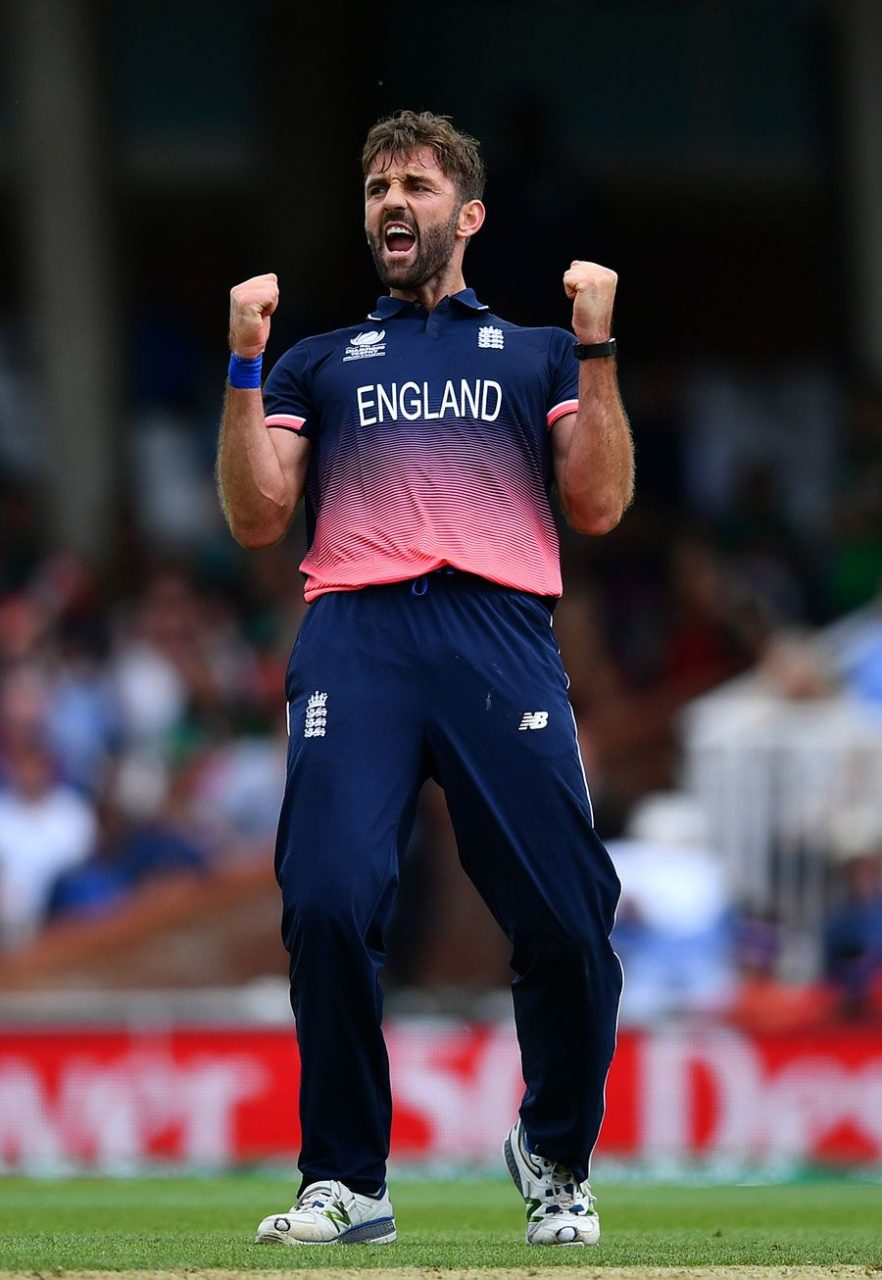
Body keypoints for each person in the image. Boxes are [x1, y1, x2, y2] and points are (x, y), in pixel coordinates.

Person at [216, 110, 633, 1249]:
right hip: (356, 633)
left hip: (499, 628)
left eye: (415, 184)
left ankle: (553, 1151)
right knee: (330, 898)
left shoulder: (540, 352)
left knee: (569, 918)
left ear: (469, 213)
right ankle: (347, 1180)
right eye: (376, 190)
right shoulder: (318, 360)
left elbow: (597, 503)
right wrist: (246, 361)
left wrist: (594, 344)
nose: (392, 203)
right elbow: (256, 514)